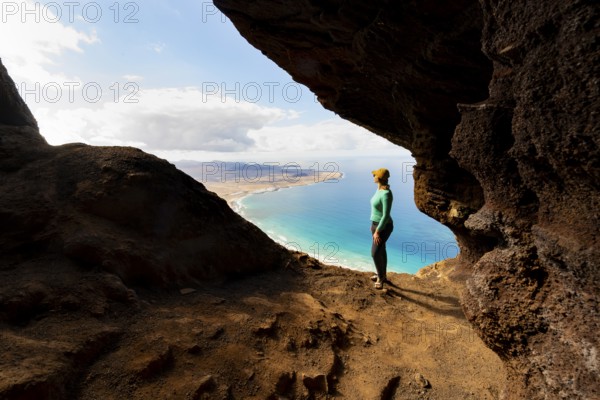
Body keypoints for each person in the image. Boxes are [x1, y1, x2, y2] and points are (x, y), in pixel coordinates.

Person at [370, 168, 393, 289]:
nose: (373, 176)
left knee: (374, 253)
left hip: (384, 227)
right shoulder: (379, 189)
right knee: (381, 249)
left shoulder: (386, 194)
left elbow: (385, 215)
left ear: (379, 178)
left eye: (374, 175)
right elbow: (376, 211)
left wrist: (377, 231)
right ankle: (382, 274)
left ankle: (380, 278)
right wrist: (373, 226)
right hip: (376, 225)